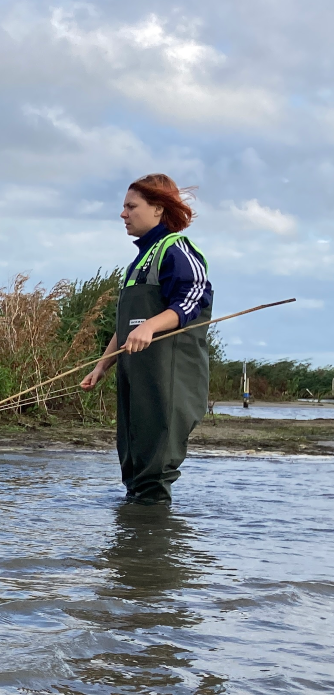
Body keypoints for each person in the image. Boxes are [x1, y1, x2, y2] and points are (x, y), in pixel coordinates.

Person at [80, 174, 212, 504]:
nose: (123, 214)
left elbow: (193, 297)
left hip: (167, 379)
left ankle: (153, 549)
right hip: (134, 378)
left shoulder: (176, 249)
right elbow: (127, 327)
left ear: (157, 208)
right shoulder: (135, 264)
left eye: (131, 206)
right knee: (134, 464)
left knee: (155, 469)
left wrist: (151, 325)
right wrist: (102, 366)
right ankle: (134, 545)